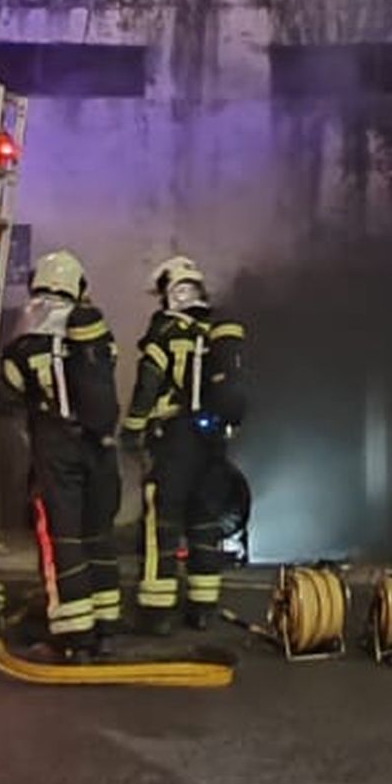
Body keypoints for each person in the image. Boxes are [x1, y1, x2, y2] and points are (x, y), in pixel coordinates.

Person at [0, 250, 121, 653]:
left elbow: (5, 397)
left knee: (61, 539)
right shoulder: (96, 336)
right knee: (96, 535)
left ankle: (72, 634)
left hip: (56, 449)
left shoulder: (25, 346)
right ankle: (103, 622)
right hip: (99, 448)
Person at [122, 253, 248, 630]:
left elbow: (148, 384)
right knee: (204, 521)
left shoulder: (166, 331)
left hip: (175, 438)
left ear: (169, 292)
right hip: (212, 440)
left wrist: (131, 429)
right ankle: (202, 609)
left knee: (162, 522)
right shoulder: (214, 329)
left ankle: (157, 612)